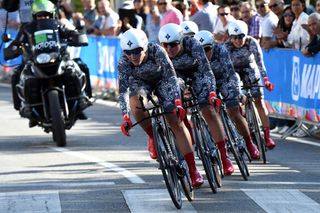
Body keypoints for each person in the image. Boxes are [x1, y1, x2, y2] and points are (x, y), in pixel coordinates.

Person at [118, 28, 204, 188]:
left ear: (144, 47)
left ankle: (193, 170)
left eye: (137, 51)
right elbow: (123, 90)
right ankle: (152, 136)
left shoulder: (156, 50)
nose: (133, 56)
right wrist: (125, 116)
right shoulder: (124, 61)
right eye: (128, 52)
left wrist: (177, 102)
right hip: (142, 83)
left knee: (174, 119)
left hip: (163, 80)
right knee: (136, 103)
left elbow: (171, 76)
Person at [158, 23, 235, 176]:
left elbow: (206, 69)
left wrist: (212, 92)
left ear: (181, 41)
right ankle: (191, 159)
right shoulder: (160, 52)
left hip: (197, 74)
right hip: (177, 78)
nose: (169, 49)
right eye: (165, 45)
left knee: (208, 110)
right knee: (174, 113)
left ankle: (224, 156)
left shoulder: (192, 43)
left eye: (173, 44)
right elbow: (165, 78)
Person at [6, 0, 91, 124]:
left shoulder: (58, 24)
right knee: (17, 74)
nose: (43, 17)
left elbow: (71, 32)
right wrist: (13, 48)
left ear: (52, 14)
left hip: (59, 57)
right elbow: (17, 42)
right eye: (40, 15)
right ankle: (27, 107)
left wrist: (76, 36)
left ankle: (82, 99)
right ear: (34, 16)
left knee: (80, 66)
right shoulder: (27, 28)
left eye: (46, 15)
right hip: (35, 59)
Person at [194, 30, 260, 160]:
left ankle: (249, 143)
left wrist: (238, 92)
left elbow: (230, 72)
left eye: (207, 49)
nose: (204, 53)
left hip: (225, 79)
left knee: (234, 110)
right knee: (210, 112)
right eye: (200, 50)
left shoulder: (221, 50)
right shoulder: (194, 57)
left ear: (213, 45)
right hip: (207, 83)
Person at [224, 20, 276, 150]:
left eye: (241, 36)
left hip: (250, 68)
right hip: (234, 71)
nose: (238, 40)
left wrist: (266, 79)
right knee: (236, 97)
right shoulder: (226, 47)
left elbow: (259, 61)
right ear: (230, 37)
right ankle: (242, 125)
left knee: (259, 100)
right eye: (234, 37)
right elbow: (226, 69)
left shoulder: (251, 42)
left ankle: (267, 136)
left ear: (246, 35)